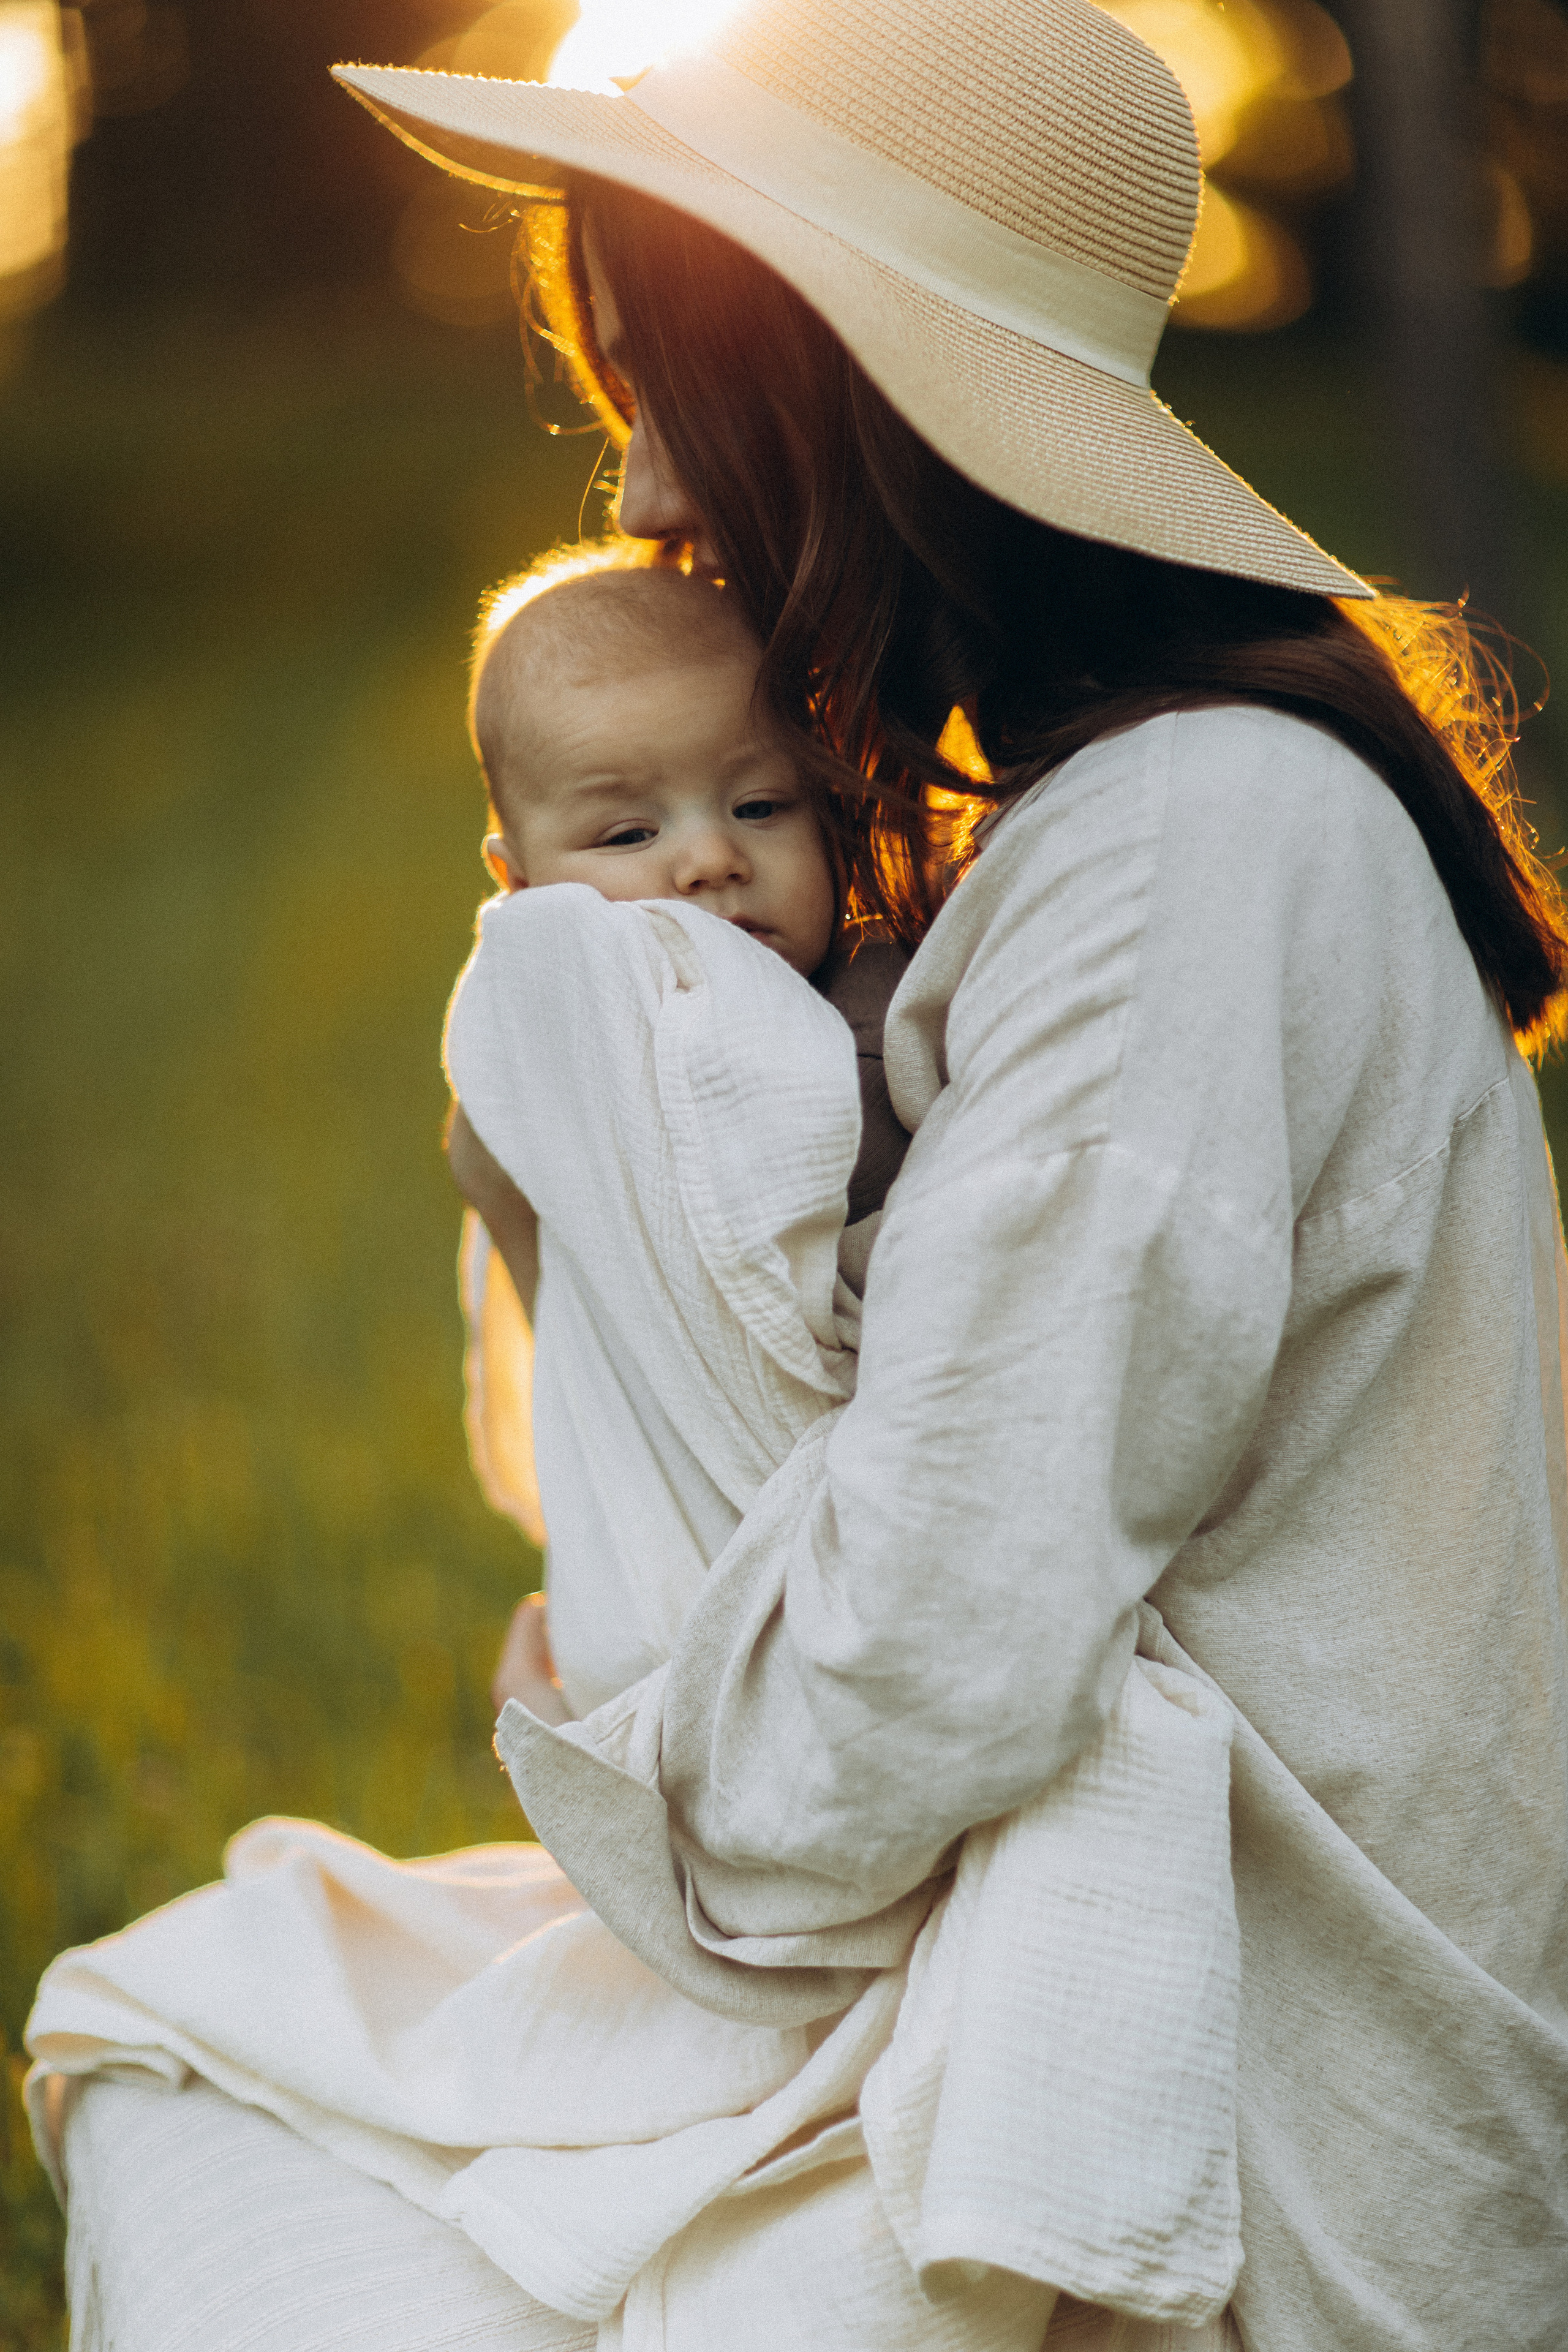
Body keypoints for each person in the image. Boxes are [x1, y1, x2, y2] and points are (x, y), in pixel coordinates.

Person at [27, 2, 1568, 2347]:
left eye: (667, 395)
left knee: (215, 2065)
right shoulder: (1104, 833)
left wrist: (617, 1732)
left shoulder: (1189, 854)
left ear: (849, 405)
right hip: (1056, 1957)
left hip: (1255, 2130)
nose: (638, 495)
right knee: (210, 2020)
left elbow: (916, 1680)